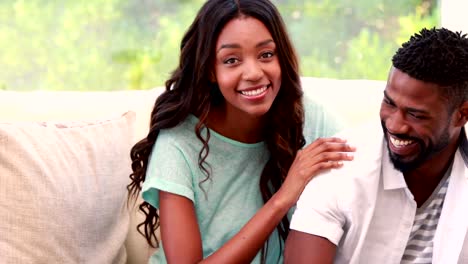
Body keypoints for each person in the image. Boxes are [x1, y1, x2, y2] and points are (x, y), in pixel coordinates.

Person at [126, 0, 355, 263]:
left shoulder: (309, 118)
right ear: (211, 70)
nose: (254, 73)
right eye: (231, 60)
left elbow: (365, 184)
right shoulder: (178, 144)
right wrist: (283, 199)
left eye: (266, 54)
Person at [284, 27, 468, 264]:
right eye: (389, 103)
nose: (395, 125)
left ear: (462, 115)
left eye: (416, 115)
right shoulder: (339, 169)